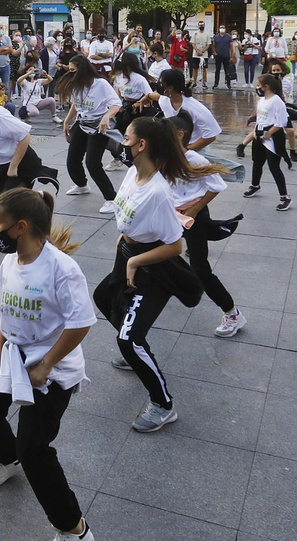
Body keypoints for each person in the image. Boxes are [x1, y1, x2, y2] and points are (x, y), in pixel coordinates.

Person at [0, 186, 96, 541]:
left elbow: (80, 323)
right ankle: (7, 460)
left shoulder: (61, 269)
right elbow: (7, 311)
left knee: (36, 449)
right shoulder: (9, 264)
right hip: (14, 358)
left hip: (52, 373)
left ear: (20, 227)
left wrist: (46, 365)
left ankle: (75, 531)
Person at [92, 116, 224, 433]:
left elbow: (175, 246)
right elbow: (126, 223)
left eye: (126, 138)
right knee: (102, 297)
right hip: (128, 255)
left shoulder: (158, 193)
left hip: (154, 267)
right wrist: (121, 254)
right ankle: (137, 348)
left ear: (141, 145)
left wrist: (135, 263)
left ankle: (163, 405)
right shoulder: (131, 174)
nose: (120, 143)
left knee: (128, 340)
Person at [168, 111, 245, 337]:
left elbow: (216, 186)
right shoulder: (163, 158)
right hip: (171, 216)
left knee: (200, 269)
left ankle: (233, 313)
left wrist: (193, 210)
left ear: (179, 135)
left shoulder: (195, 159)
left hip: (195, 217)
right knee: (158, 261)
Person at [55, 56, 120, 213]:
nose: (70, 74)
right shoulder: (76, 85)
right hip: (82, 122)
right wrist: (67, 121)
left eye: (73, 70)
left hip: (99, 124)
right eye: (69, 70)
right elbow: (76, 105)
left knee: (92, 162)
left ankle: (111, 199)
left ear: (82, 70)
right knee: (72, 159)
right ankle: (82, 185)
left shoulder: (101, 84)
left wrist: (106, 117)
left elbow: (116, 104)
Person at [243, 72, 291, 209]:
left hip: (272, 137)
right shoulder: (262, 100)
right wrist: (255, 132)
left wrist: (269, 133)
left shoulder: (277, 101)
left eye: (259, 85)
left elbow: (282, 121)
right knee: (257, 162)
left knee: (274, 166)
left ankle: (284, 196)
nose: (257, 88)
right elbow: (260, 118)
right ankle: (255, 185)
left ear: (266, 86)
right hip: (260, 135)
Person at [152, 69, 221, 152]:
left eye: (161, 83)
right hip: (176, 147)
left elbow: (211, 136)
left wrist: (186, 150)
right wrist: (147, 97)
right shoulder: (165, 101)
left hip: (195, 150)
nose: (159, 86)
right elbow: (156, 96)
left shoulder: (195, 109)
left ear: (170, 88)